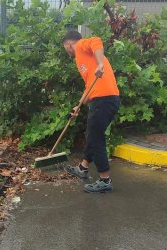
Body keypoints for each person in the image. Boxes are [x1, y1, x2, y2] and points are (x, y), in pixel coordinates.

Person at [62, 30, 120, 193]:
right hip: (103, 99)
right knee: (92, 134)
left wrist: (101, 63)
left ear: (68, 44)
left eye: (65, 47)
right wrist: (78, 106)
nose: (66, 51)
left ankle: (105, 180)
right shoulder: (84, 60)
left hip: (104, 99)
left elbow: (96, 40)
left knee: (95, 137)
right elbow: (90, 86)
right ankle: (83, 167)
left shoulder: (80, 45)